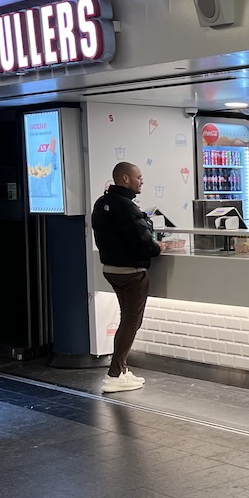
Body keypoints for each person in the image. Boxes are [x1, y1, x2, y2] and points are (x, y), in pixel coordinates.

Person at [91, 161, 163, 393]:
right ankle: (114, 374)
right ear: (125, 178)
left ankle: (121, 370)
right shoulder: (126, 206)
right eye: (138, 177)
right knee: (131, 322)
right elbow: (142, 242)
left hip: (111, 269)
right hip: (131, 273)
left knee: (126, 321)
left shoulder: (101, 203)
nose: (142, 181)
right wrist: (157, 247)